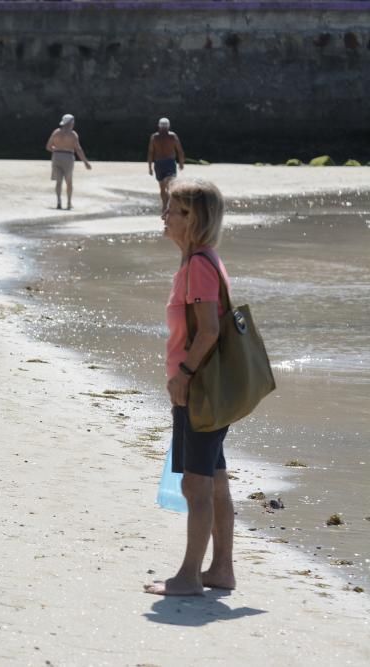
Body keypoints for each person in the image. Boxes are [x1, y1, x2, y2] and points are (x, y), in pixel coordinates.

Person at [145, 179, 236, 596]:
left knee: (196, 483)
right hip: (209, 388)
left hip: (198, 388)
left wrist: (182, 374)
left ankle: (188, 577)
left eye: (174, 210)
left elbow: (210, 331)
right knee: (215, 479)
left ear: (193, 218)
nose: (165, 216)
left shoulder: (198, 265)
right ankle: (220, 571)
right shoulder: (203, 260)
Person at [45, 113, 91, 210]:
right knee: (69, 182)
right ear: (71, 123)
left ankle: (58, 201)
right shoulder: (73, 134)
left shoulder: (56, 132)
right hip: (68, 157)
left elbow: (48, 147)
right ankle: (69, 203)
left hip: (56, 156)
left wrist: (57, 150)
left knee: (58, 181)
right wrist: (85, 162)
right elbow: (78, 149)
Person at [147, 118, 186, 212]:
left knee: (162, 187)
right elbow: (180, 151)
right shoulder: (172, 136)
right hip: (169, 163)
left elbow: (150, 152)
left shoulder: (154, 137)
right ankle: (170, 205)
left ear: (159, 126)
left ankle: (165, 205)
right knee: (170, 185)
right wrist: (181, 163)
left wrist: (150, 167)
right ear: (168, 126)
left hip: (159, 163)